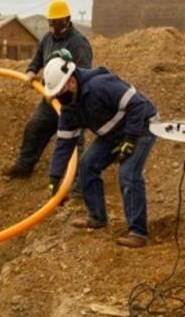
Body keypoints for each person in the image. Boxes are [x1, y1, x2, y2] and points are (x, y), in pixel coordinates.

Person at [43, 56, 157, 248]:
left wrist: (129, 139)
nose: (59, 98)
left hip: (141, 125)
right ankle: (97, 217)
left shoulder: (101, 85)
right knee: (87, 165)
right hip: (112, 132)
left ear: (71, 81)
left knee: (128, 174)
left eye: (60, 92)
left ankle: (138, 233)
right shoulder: (70, 107)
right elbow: (64, 143)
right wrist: (54, 178)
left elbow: (138, 104)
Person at [3, 0, 93, 178]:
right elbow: (37, 59)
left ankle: (77, 186)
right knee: (34, 128)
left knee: (74, 143)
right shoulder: (47, 39)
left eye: (57, 22)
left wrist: (67, 94)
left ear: (66, 20)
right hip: (49, 98)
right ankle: (24, 167)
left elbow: (83, 74)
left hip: (71, 103)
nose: (53, 26)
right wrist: (31, 71)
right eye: (51, 22)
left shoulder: (78, 44)